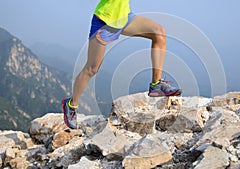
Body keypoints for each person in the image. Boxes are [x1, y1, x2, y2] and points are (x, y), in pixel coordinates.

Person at [62, 0, 182, 129]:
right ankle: (71, 104)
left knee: (159, 32)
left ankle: (156, 85)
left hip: (124, 18)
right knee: (92, 68)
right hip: (105, 21)